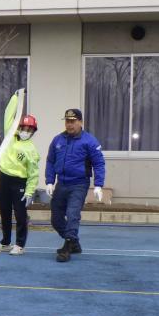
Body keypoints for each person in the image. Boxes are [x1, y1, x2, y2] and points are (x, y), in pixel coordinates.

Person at [45, 108, 106, 263]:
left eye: (73, 121)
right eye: (67, 121)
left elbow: (99, 163)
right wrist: (50, 181)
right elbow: (50, 161)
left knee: (72, 215)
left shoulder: (89, 141)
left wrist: (98, 185)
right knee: (56, 219)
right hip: (61, 183)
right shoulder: (57, 140)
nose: (69, 125)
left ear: (80, 122)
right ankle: (74, 243)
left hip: (79, 184)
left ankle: (67, 248)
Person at [0, 92, 40, 256]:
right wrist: (16, 97)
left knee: (20, 214)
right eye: (23, 128)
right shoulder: (10, 136)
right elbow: (8, 114)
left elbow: (33, 173)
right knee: (4, 211)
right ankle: (5, 241)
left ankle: (20, 244)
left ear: (33, 131)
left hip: (20, 182)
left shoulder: (31, 150)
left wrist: (30, 191)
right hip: (4, 178)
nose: (25, 131)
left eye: (29, 129)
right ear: (18, 128)